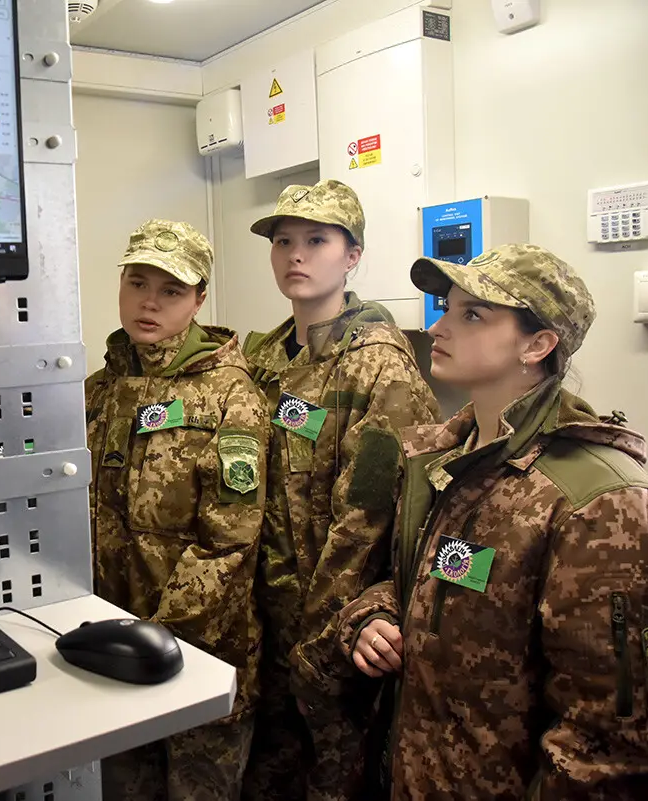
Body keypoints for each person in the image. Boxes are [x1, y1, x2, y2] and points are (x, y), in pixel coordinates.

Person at [336, 243, 648, 799]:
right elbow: (419, 583)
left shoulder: (599, 500)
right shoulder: (446, 457)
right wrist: (370, 616)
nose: (440, 326)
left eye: (473, 315)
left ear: (538, 344)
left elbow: (606, 745)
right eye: (446, 306)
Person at [239, 179, 440, 801]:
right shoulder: (265, 356)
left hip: (331, 632)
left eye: (317, 241)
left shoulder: (380, 365)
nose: (295, 255)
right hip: (262, 618)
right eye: (284, 241)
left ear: (351, 256)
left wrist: (320, 639)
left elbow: (370, 517)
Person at [86, 219, 271, 799]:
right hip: (109, 638)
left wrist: (164, 634)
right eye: (138, 283)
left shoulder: (229, 395)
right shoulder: (100, 388)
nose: (149, 302)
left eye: (171, 290)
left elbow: (231, 538)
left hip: (198, 645)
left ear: (199, 300)